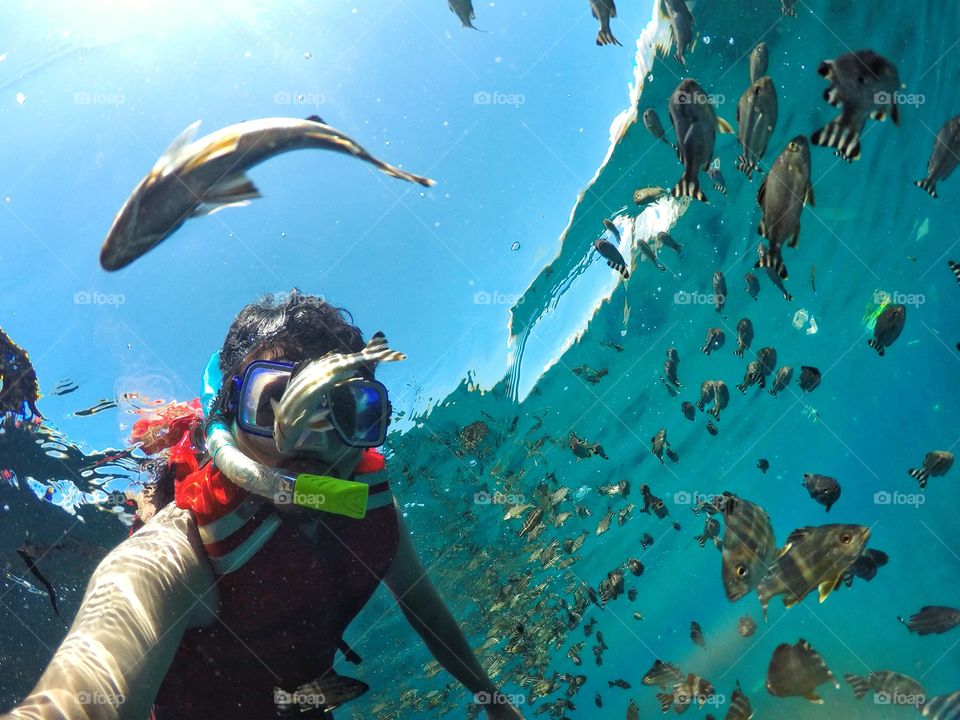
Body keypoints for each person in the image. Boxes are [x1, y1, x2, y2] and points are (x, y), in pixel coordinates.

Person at [2, 291, 525, 720]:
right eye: (274, 404)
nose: (314, 442)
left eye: (348, 411)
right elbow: (85, 694)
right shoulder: (179, 551)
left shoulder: (367, 507)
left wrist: (495, 702)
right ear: (229, 418)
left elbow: (426, 612)